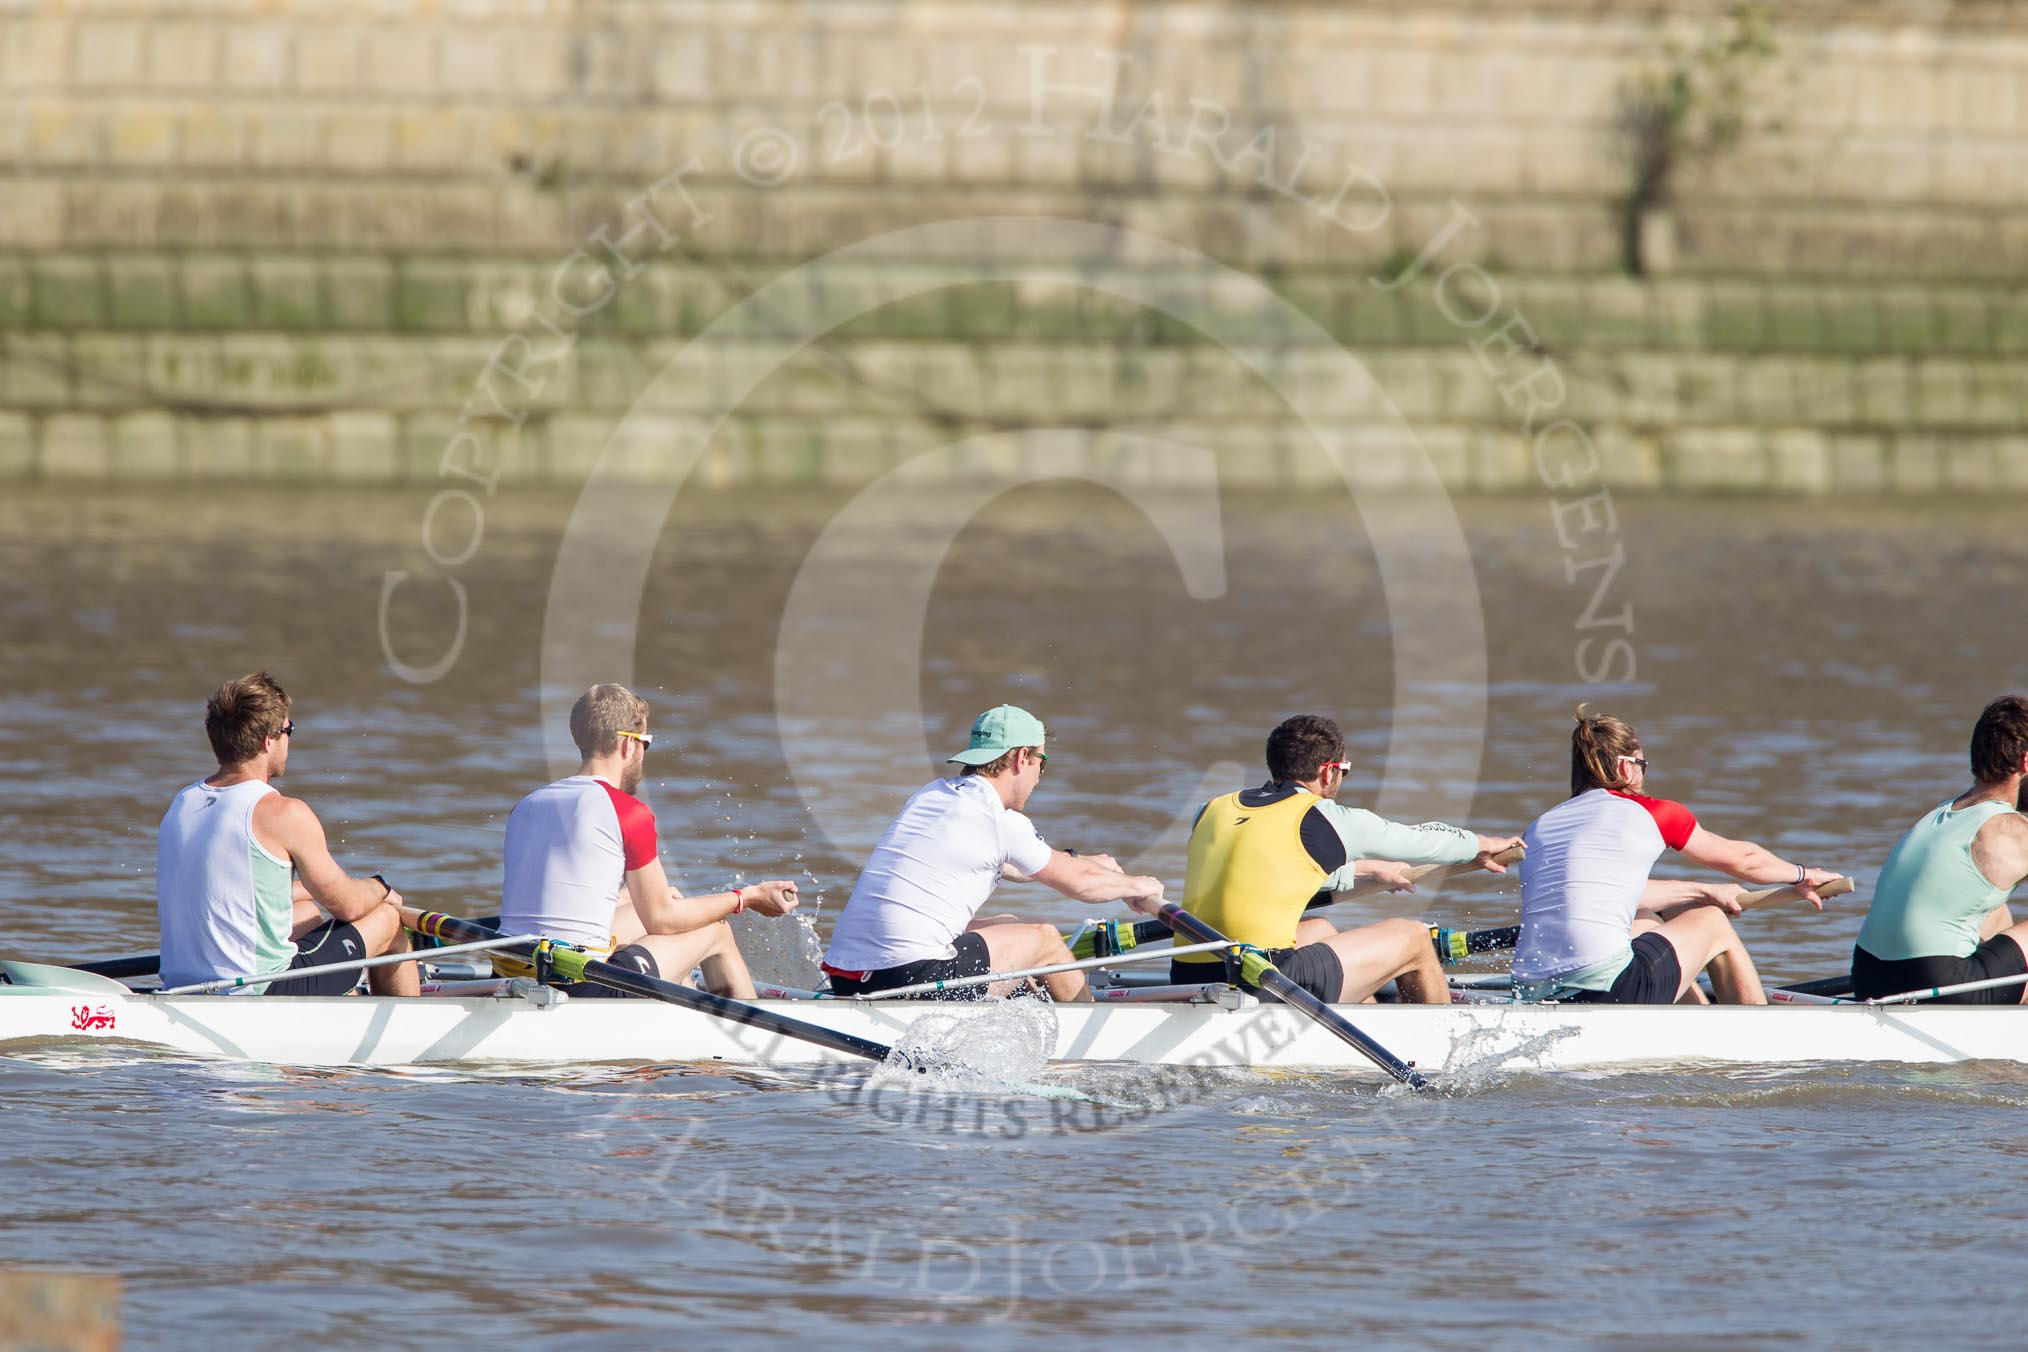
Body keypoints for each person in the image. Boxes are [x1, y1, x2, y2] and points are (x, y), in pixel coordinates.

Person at [1151, 714, 1520, 1004]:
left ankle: (1363, 1022)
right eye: (1344, 771)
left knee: (1321, 931)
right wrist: (1482, 843)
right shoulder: (1326, 817)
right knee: (1414, 936)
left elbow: (1265, 878)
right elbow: (1422, 841)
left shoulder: (1211, 809)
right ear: (1329, 771)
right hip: (1262, 980)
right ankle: (1433, 1043)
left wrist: (1365, 873)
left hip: (1187, 975)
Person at [821, 704, 1164, 1001]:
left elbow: (1025, 866)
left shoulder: (932, 796)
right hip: (903, 978)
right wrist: (1137, 886)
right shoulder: (998, 819)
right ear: (1020, 758)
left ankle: (1025, 1008)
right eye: (1041, 763)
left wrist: (1092, 865)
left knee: (1009, 925)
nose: (1039, 778)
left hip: (847, 975)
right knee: (1043, 939)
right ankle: (1089, 1035)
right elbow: (1081, 887)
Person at [1512, 710, 1838, 1005]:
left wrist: (1701, 890)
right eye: (1642, 764)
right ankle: (1757, 1042)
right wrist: (1801, 874)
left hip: (1532, 989)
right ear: (1627, 766)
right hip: (1605, 987)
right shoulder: (1653, 812)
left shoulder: (1541, 826)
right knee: (1712, 922)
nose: (1644, 775)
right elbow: (1745, 860)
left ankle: (1690, 1022)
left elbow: (1612, 894)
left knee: (1645, 918)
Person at [497, 683, 800, 1000]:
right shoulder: (627, 811)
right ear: (628, 746)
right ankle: (744, 1041)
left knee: (659, 902)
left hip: (511, 969)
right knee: (715, 930)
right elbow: (663, 920)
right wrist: (747, 897)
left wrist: (654, 901)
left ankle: (680, 1005)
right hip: (582, 984)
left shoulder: (527, 804)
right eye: (646, 744)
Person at [157, 671, 417, 996]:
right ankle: (405, 1035)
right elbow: (349, 906)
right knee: (387, 919)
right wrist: (379, 887)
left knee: (307, 915)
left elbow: (233, 890)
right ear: (269, 740)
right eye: (288, 730)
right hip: (257, 990)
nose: (289, 739)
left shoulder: (181, 805)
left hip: (182, 987)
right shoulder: (284, 813)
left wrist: (308, 893)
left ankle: (342, 1007)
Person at [1851, 695, 2028, 1003]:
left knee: (1997, 913)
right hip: (1936, 982)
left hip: (1868, 977)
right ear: (2026, 761)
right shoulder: (2011, 832)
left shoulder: (1941, 815)